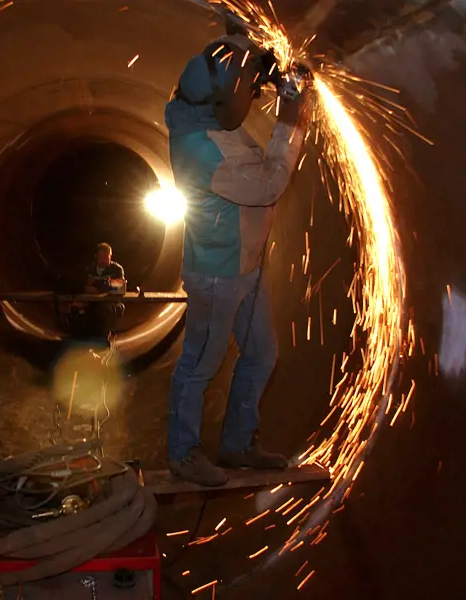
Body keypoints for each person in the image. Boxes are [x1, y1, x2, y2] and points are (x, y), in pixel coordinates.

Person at [164, 32, 311, 486]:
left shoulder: (202, 107)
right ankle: (184, 454)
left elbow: (227, 62)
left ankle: (237, 444)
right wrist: (290, 122)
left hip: (247, 262)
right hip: (218, 274)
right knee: (200, 364)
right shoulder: (203, 150)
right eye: (245, 92)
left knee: (262, 352)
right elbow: (268, 184)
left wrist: (255, 63)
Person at [72, 243, 126, 339]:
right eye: (101, 257)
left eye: (106, 257)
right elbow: (81, 285)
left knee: (104, 311)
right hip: (91, 302)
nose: (103, 260)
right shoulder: (90, 269)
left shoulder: (117, 269)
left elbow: (119, 288)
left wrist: (97, 289)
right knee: (77, 308)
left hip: (110, 303)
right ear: (96, 257)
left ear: (110, 256)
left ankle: (103, 334)